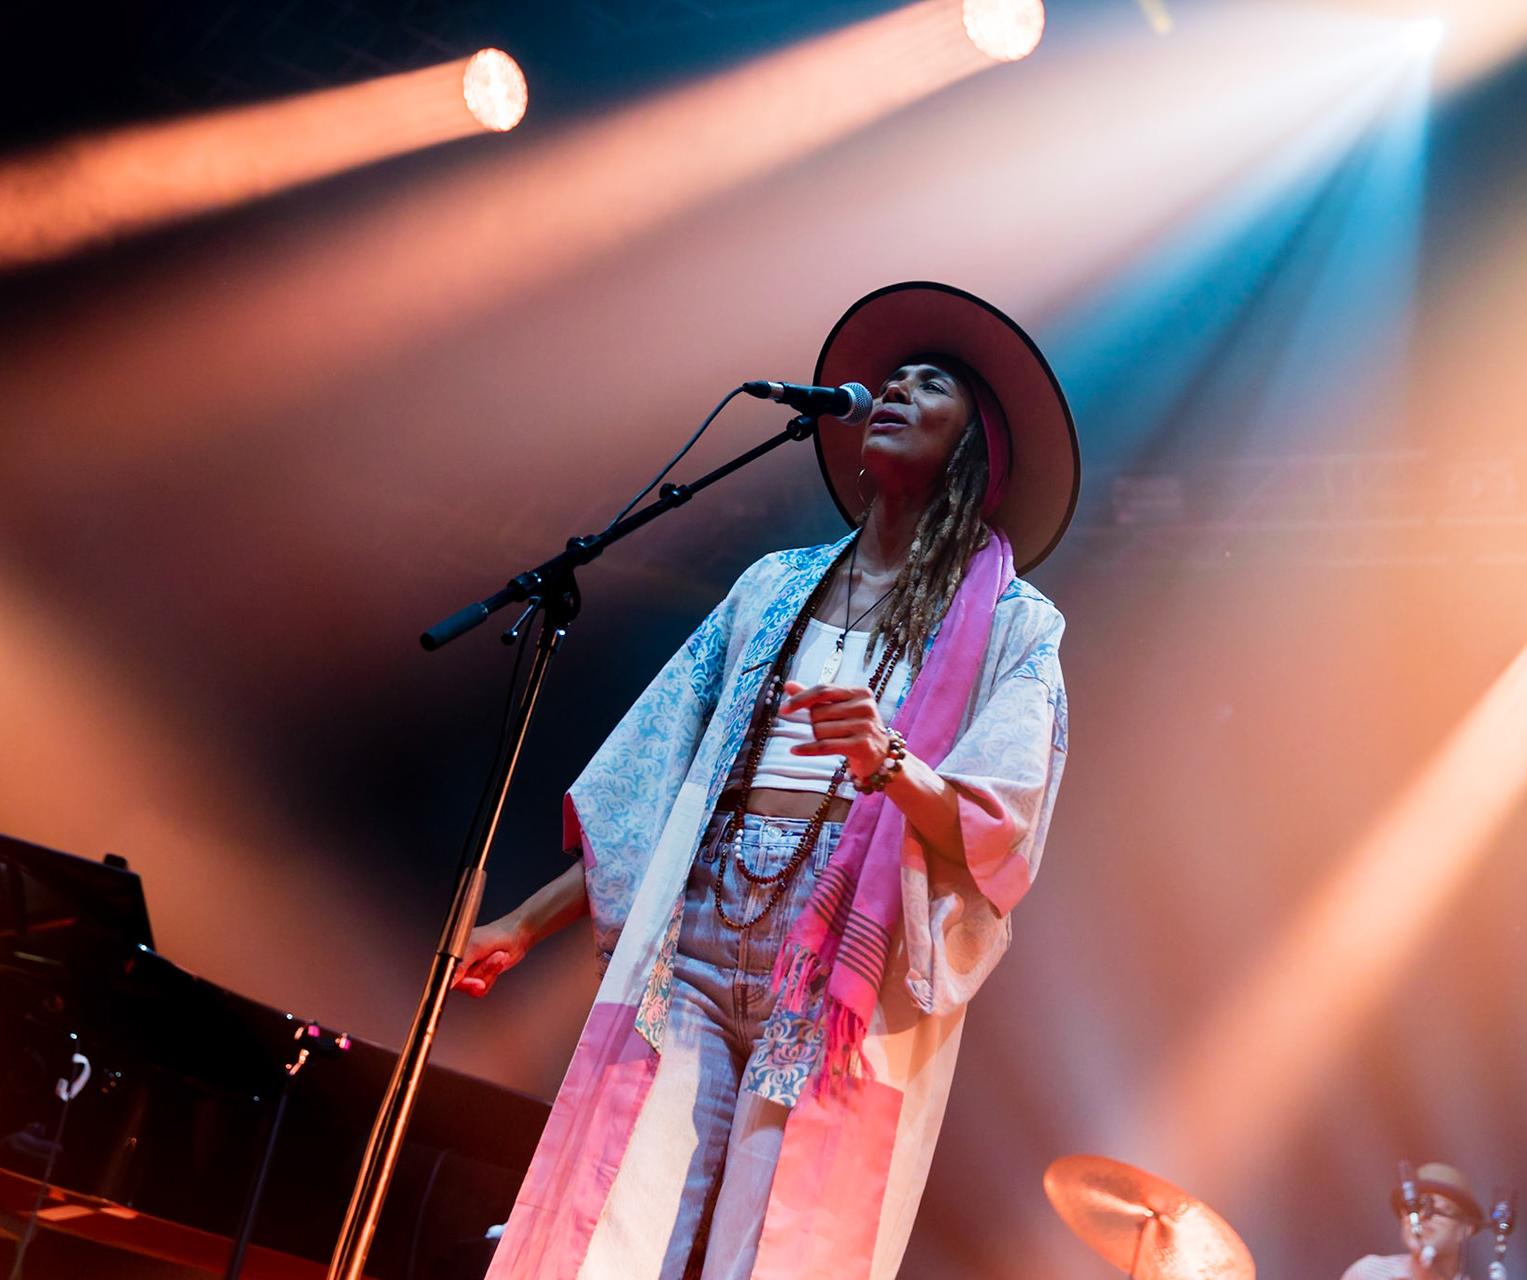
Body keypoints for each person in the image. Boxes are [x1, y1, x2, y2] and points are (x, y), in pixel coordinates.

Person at [456, 282, 1080, 1280]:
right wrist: (521, 924)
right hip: (697, 931)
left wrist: (889, 761)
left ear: (978, 449)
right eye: (891, 379)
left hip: (841, 961)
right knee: (607, 1225)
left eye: (933, 386)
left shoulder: (1013, 624)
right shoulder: (772, 584)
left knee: (780, 1249)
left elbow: (999, 827)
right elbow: (659, 796)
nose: (896, 390)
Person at [1340, 1163, 1486, 1280]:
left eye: (1440, 1209)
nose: (1423, 1216)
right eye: (1413, 1207)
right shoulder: (1368, 1273)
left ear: (1465, 1228)